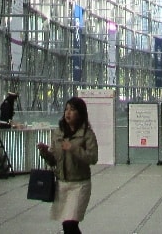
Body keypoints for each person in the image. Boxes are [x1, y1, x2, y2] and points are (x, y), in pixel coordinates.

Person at [36, 96, 98, 234]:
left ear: (80, 113)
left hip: (80, 185)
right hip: (62, 184)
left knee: (71, 224)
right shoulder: (58, 132)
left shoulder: (87, 134)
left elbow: (93, 158)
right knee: (67, 226)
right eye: (66, 109)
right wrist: (45, 152)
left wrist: (73, 148)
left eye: (72, 110)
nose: (68, 113)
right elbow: (54, 160)